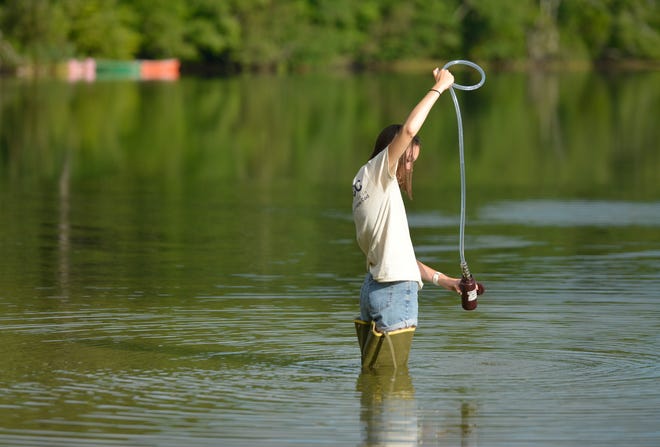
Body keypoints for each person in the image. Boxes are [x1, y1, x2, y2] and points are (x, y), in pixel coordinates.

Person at [352, 66, 461, 333]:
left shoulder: (364, 181)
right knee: (395, 375)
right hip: (395, 292)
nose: (410, 168)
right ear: (392, 150)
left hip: (374, 287)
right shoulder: (379, 172)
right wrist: (440, 87)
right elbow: (410, 130)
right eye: (408, 159)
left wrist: (444, 280)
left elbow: (397, 257)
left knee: (377, 373)